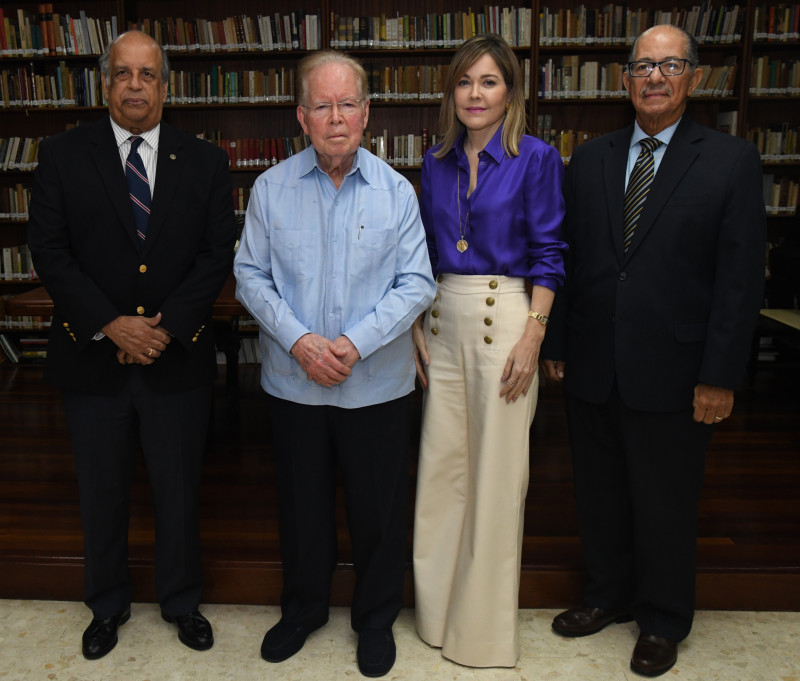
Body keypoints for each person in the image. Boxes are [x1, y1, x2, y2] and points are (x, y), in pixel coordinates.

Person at [540, 24, 766, 677]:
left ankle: (664, 618)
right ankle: (606, 596)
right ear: (624, 79)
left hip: (678, 370)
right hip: (592, 363)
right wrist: (557, 341)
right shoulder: (590, 158)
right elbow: (571, 258)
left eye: (670, 65)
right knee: (600, 493)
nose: (655, 77)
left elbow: (739, 279)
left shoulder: (730, 160)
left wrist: (720, 373)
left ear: (694, 77)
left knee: (665, 499)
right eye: (643, 66)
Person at [27, 31, 237, 660]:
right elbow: (50, 252)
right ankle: (107, 604)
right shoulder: (62, 155)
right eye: (124, 73)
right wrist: (113, 324)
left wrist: (163, 328)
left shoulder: (204, 161)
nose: (136, 85)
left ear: (166, 85)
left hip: (176, 359)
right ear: (105, 83)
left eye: (148, 74)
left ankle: (181, 601)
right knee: (102, 491)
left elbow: (214, 254)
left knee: (178, 489)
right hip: (93, 358)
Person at [233, 51, 435, 678]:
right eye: (322, 105)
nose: (336, 117)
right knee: (302, 509)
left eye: (348, 104)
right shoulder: (271, 188)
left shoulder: (398, 191)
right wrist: (300, 341)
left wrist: (352, 342)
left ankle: (375, 619)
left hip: (376, 383)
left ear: (368, 113)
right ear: (302, 116)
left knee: (378, 512)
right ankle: (303, 611)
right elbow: (248, 274)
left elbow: (417, 283)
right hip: (295, 384)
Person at [411, 33, 567, 668]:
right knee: (442, 475)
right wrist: (416, 327)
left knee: (499, 481)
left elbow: (551, 254)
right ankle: (436, 618)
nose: (475, 94)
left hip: (508, 321)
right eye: (465, 82)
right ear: (452, 91)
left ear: (511, 92)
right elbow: (420, 252)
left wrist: (534, 333)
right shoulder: (434, 159)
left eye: (489, 82)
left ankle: (482, 638)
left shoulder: (537, 158)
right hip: (443, 322)